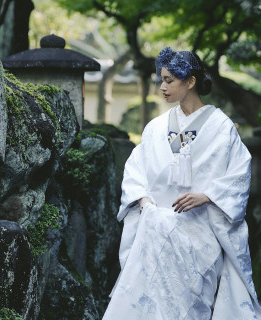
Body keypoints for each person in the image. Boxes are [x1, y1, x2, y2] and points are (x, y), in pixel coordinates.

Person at [102, 47, 261, 319]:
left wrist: (208, 195)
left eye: (169, 80)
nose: (162, 87)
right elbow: (135, 168)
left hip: (200, 229)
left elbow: (239, 172)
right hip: (156, 224)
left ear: (190, 82)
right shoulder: (156, 127)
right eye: (161, 80)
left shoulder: (222, 127)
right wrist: (143, 200)